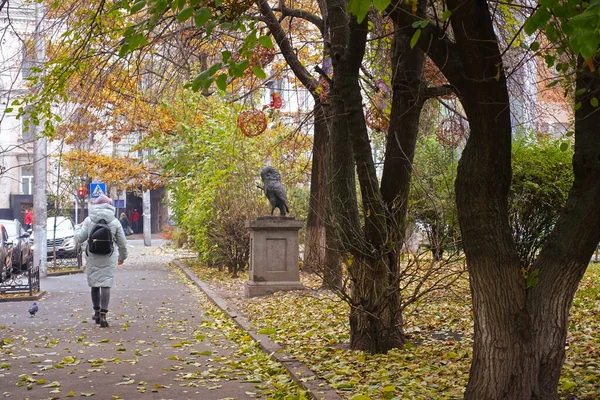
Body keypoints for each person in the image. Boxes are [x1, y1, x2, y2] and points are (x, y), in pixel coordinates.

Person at [74, 194, 127, 328]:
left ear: (96, 205)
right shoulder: (115, 222)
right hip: (109, 257)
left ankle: (96, 312)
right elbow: (122, 243)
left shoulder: (88, 220)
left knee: (95, 284)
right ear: (110, 206)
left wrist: (77, 227)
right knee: (106, 284)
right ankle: (103, 316)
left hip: (92, 256)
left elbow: (79, 238)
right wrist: (122, 257)